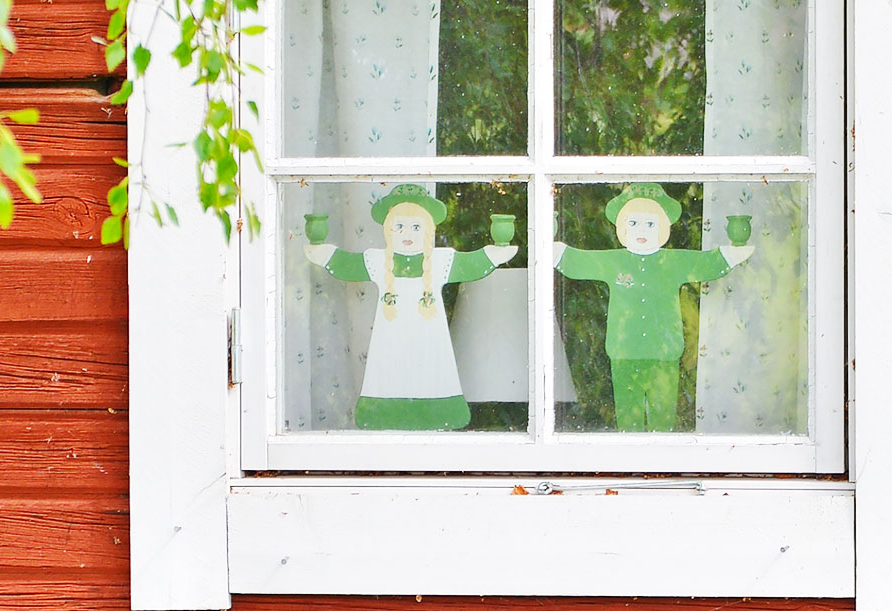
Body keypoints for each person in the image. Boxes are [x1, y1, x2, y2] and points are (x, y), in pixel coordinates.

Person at [306, 185, 518, 428]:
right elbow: (347, 264)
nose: (407, 234)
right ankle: (380, 412)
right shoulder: (378, 261)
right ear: (388, 230)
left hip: (428, 336)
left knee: (430, 368)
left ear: (428, 231)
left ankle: (442, 409)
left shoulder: (441, 261)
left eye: (416, 227)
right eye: (399, 226)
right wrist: (321, 251)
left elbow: (472, 263)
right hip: (391, 336)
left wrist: (498, 251)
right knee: (390, 370)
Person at [554, 183, 754, 430]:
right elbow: (580, 262)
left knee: (663, 416)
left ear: (663, 227)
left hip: (664, 353)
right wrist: (554, 250)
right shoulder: (614, 261)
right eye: (633, 223)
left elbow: (705, 263)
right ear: (622, 227)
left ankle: (662, 454)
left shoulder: (672, 261)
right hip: (623, 351)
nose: (641, 231)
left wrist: (733, 252)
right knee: (628, 416)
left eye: (650, 224)